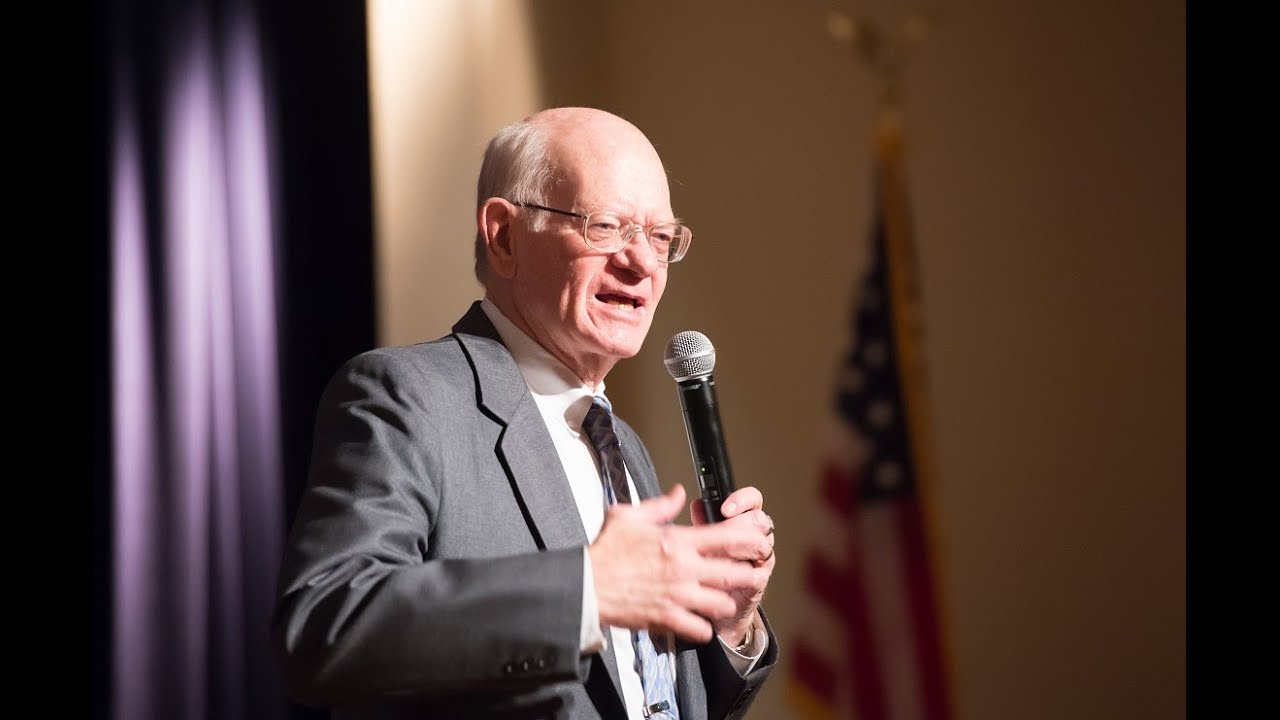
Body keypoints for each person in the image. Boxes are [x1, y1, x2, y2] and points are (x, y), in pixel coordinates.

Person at [271, 106, 778, 719]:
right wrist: (588, 592)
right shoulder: (409, 396)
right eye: (607, 226)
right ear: (503, 235)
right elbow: (325, 627)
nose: (642, 262)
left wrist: (729, 623)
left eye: (661, 237)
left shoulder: (623, 445)